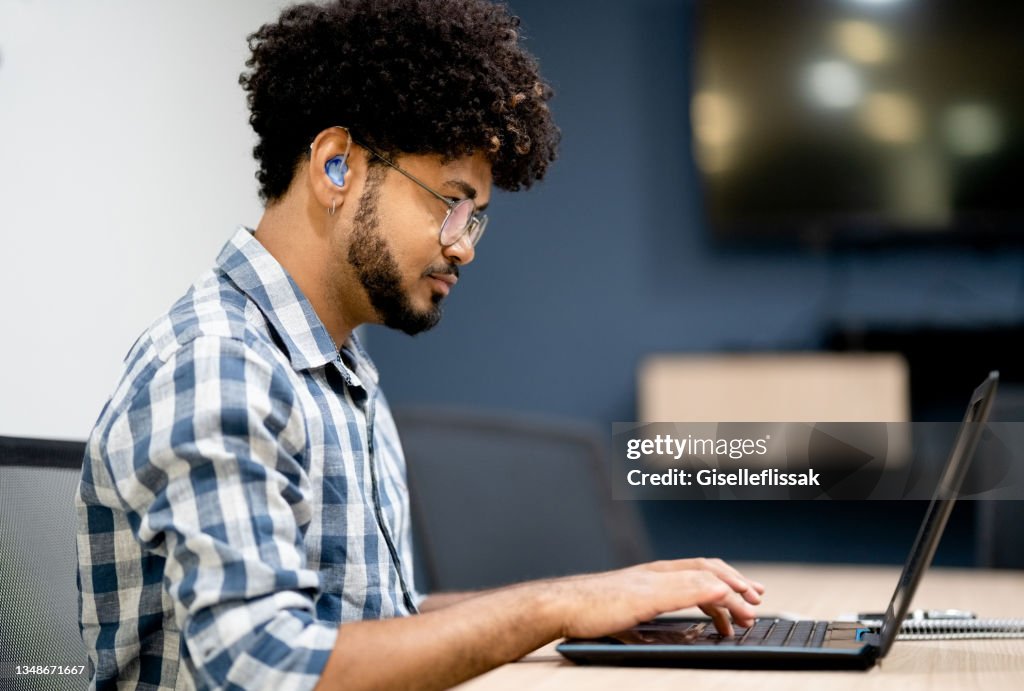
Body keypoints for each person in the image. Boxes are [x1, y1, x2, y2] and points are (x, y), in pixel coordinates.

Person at [76, 1, 765, 689]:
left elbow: (379, 621)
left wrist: (585, 603)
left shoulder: (338, 371)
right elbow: (269, 667)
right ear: (336, 165)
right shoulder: (218, 365)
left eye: (476, 218)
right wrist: (557, 603)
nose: (463, 245)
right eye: (451, 202)